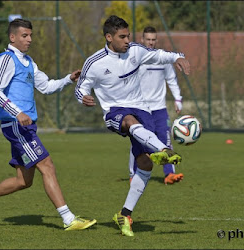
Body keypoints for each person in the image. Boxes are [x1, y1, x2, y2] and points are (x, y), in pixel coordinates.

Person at [0, 18, 96, 231]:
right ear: (13, 37)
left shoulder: (28, 62)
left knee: (23, 181)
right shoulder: (6, 59)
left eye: (31, 35)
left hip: (26, 126)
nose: (29, 39)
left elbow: (45, 86)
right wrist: (17, 113)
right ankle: (68, 219)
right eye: (24, 36)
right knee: (47, 166)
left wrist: (67, 79)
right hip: (16, 126)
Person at [75, 15, 190, 236]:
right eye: (122, 36)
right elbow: (81, 87)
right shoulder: (94, 62)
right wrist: (83, 97)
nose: (128, 40)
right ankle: (164, 150)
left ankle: (124, 214)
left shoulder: (135, 51)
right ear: (109, 37)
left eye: (128, 35)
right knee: (129, 122)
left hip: (142, 109)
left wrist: (177, 57)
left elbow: (157, 55)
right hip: (115, 112)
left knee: (145, 164)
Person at [128, 26, 184, 185]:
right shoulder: (135, 58)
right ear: (142, 40)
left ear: (156, 41)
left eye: (153, 40)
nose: (151, 43)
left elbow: (171, 79)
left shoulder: (163, 58)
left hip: (159, 108)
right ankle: (133, 174)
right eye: (148, 40)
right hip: (140, 108)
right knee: (140, 142)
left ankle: (169, 175)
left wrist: (178, 99)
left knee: (165, 140)